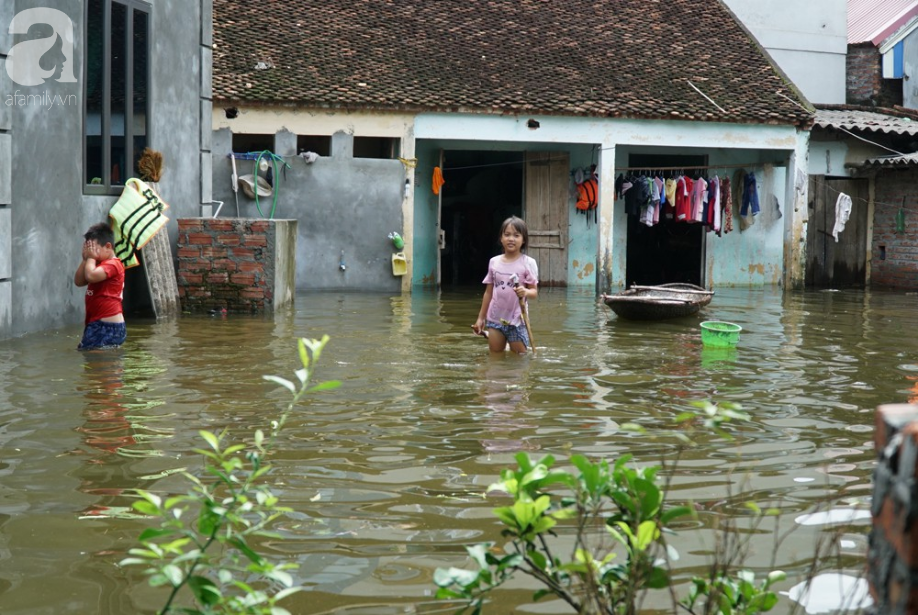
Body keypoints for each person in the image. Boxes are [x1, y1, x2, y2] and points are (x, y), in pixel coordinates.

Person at [473, 216, 538, 353]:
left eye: (516, 235)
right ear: (501, 238)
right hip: (495, 318)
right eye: (507, 235)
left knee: (519, 360)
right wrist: (480, 318)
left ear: (523, 239)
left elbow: (534, 292)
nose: (511, 239)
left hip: (517, 320)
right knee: (495, 359)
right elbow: (488, 292)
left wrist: (525, 292)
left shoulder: (528, 263)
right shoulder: (494, 262)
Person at [73, 222, 126, 350]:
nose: (91, 253)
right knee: (92, 360)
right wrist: (86, 259)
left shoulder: (113, 264)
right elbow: (79, 281)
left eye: (93, 249)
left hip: (106, 326)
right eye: (88, 248)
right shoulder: (98, 264)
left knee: (96, 363)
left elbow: (90, 276)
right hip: (98, 324)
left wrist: (91, 258)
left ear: (108, 246)